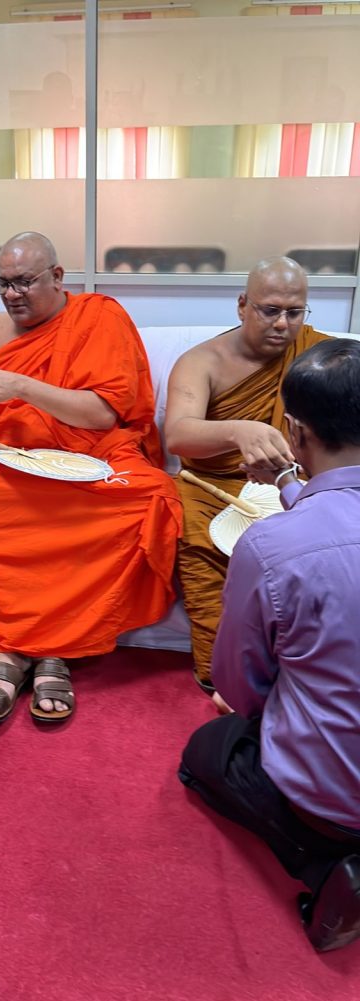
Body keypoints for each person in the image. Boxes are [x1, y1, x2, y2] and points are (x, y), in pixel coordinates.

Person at [0, 231, 182, 724]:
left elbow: (102, 414)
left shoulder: (100, 317)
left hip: (93, 459)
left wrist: (20, 386)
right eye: (3, 283)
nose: (11, 294)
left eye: (24, 282)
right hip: (15, 460)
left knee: (152, 494)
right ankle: (32, 650)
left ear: (57, 277)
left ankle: (30, 651)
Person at [178, 337, 360, 953]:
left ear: (295, 431)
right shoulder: (291, 535)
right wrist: (288, 482)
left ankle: (329, 865)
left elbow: (239, 685)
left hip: (338, 799)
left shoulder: (272, 546)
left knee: (209, 751)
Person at [164, 257, 329, 708]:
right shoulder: (203, 361)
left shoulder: (320, 356)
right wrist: (238, 430)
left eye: (294, 312)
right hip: (213, 486)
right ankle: (224, 674)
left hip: (298, 483)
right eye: (269, 310)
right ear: (242, 305)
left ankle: (308, 671)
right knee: (194, 533)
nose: (282, 324)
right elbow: (178, 434)